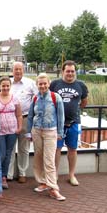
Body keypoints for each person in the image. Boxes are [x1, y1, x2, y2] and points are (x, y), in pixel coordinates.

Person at [26, 73, 66, 201]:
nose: (42, 86)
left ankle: (53, 188)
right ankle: (42, 182)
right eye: (40, 84)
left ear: (49, 84)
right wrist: (28, 131)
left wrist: (60, 133)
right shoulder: (35, 98)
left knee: (49, 160)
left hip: (50, 131)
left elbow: (61, 116)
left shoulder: (56, 97)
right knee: (38, 157)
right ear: (37, 85)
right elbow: (31, 116)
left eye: (45, 83)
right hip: (37, 130)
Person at [50, 60, 88, 186]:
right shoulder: (55, 84)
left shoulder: (81, 85)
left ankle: (71, 175)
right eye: (68, 71)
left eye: (72, 71)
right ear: (63, 72)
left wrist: (75, 111)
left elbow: (84, 102)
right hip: (57, 123)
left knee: (72, 149)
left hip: (74, 122)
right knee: (56, 149)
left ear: (75, 72)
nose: (70, 74)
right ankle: (54, 174)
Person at [0, 76, 22, 189]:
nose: (5, 88)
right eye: (3, 85)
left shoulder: (15, 98)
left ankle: (3, 176)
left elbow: (19, 114)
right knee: (1, 153)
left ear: (10, 86)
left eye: (7, 86)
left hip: (12, 130)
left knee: (9, 154)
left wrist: (19, 127)